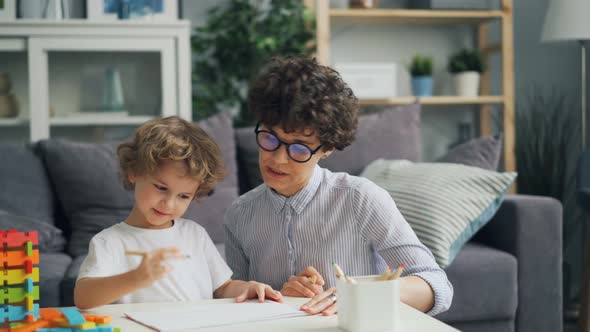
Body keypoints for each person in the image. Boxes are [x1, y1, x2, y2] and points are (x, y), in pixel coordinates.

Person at [224, 56, 453, 316]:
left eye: (299, 148)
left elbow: (437, 286)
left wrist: (361, 296)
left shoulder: (360, 198)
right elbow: (235, 300)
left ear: (328, 148)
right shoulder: (240, 214)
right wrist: (278, 295)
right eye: (269, 138)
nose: (277, 159)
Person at [74, 116, 282, 309]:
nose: (169, 204)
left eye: (183, 196)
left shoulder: (195, 234)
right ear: (134, 172)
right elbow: (83, 298)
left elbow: (222, 288)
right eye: (161, 188)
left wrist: (249, 288)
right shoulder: (109, 242)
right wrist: (137, 277)